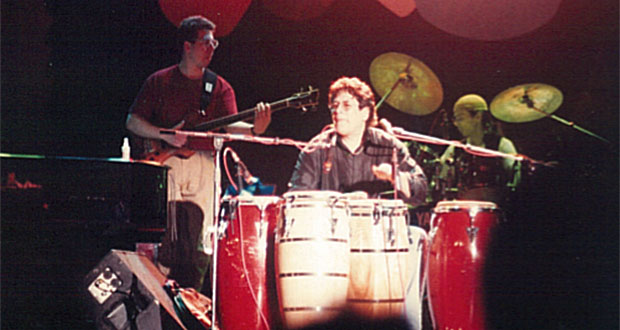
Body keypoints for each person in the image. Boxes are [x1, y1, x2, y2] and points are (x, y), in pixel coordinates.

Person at [125, 15, 271, 293]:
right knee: (164, 236)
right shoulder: (160, 81)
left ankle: (191, 298)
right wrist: (164, 134)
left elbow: (230, 125)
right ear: (187, 46)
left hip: (203, 167)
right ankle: (158, 297)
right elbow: (132, 121)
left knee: (200, 239)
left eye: (214, 43)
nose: (212, 48)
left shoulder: (218, 87)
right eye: (206, 42)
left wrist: (255, 129)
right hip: (166, 167)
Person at [288, 76, 427, 205]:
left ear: (365, 113)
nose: (338, 111)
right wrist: (341, 201)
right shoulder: (316, 149)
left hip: (377, 228)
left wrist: (395, 176)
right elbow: (297, 198)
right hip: (330, 228)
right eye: (334, 106)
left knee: (417, 233)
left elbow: (421, 191)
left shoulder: (389, 145)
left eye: (346, 106)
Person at [438, 93, 521, 205]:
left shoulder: (502, 145)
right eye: (455, 120)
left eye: (461, 118)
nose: (456, 124)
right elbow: (442, 178)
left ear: (478, 117)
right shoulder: (455, 149)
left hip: (497, 210)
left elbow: (516, 179)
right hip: (463, 209)